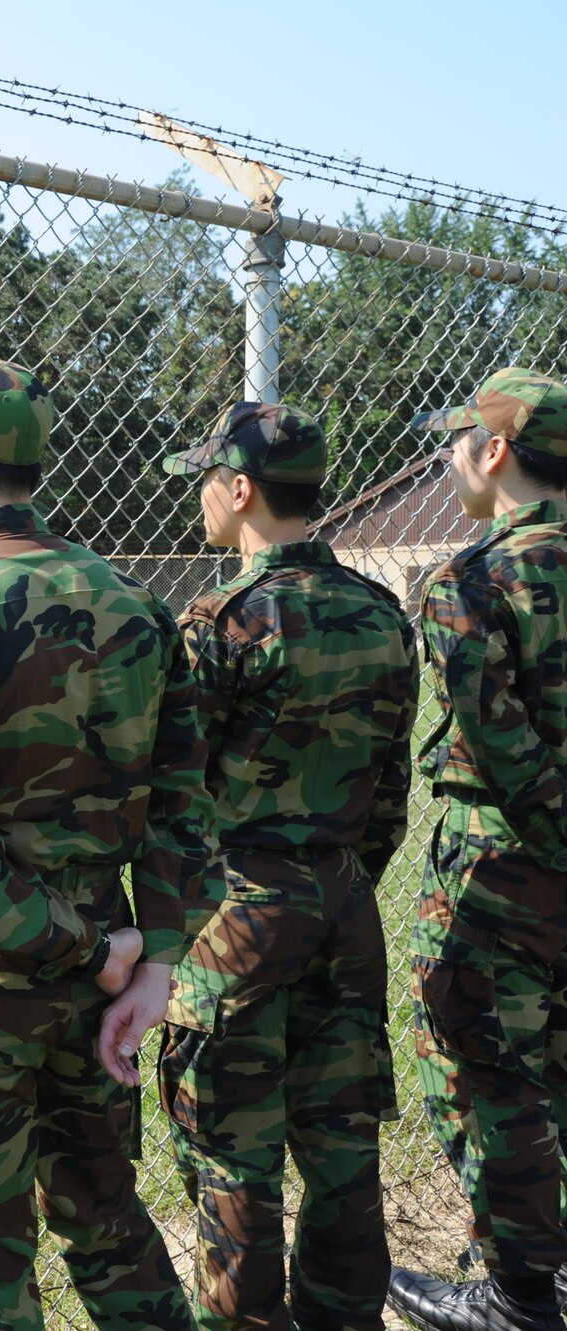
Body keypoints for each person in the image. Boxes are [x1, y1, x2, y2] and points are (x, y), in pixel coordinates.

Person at [0, 348, 213, 1331]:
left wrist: (90, 948)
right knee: (105, 1223)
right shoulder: (135, 605)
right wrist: (152, 957)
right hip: (105, 968)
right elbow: (181, 805)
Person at [156, 403, 418, 1331]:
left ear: (238, 490)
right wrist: (335, 879)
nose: (199, 493)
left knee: (235, 1155)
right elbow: (391, 791)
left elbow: (173, 792)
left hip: (241, 910)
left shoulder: (222, 623)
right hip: (345, 904)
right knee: (344, 1147)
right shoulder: (382, 612)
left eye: (205, 477)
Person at [388, 368, 567, 1331]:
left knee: (478, 1072)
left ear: (495, 452)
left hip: (501, 874)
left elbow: (499, 742)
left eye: (456, 439)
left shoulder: (471, 580)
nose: (447, 456)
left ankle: (520, 1293)